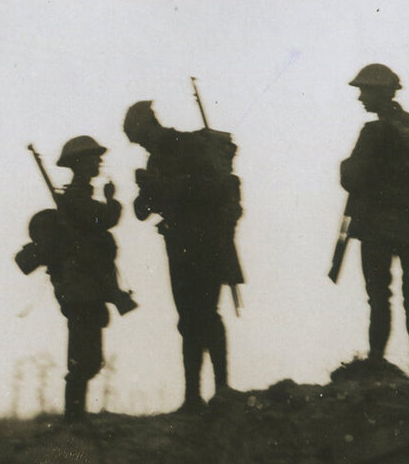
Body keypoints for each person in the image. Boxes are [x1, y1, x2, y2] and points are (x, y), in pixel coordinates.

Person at [124, 101, 244, 412]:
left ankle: (222, 388)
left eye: (141, 138)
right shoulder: (156, 159)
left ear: (151, 125)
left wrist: (160, 187)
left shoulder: (188, 146)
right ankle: (193, 396)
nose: (143, 145)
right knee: (188, 320)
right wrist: (145, 193)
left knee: (207, 314)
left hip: (207, 241)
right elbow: (144, 210)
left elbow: (210, 191)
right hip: (178, 245)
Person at [339, 63, 409, 379]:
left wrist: (346, 166)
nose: (361, 97)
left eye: (364, 90)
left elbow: (353, 177)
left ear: (379, 93)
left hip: (378, 225)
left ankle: (377, 360)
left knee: (379, 294)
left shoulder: (373, 132)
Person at [18, 135, 128, 421]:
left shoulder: (76, 197)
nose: (99, 161)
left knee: (88, 357)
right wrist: (111, 200)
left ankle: (75, 416)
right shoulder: (78, 198)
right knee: (85, 357)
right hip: (81, 287)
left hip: (84, 286)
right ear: (79, 164)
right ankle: (74, 417)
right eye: (93, 157)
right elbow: (106, 218)